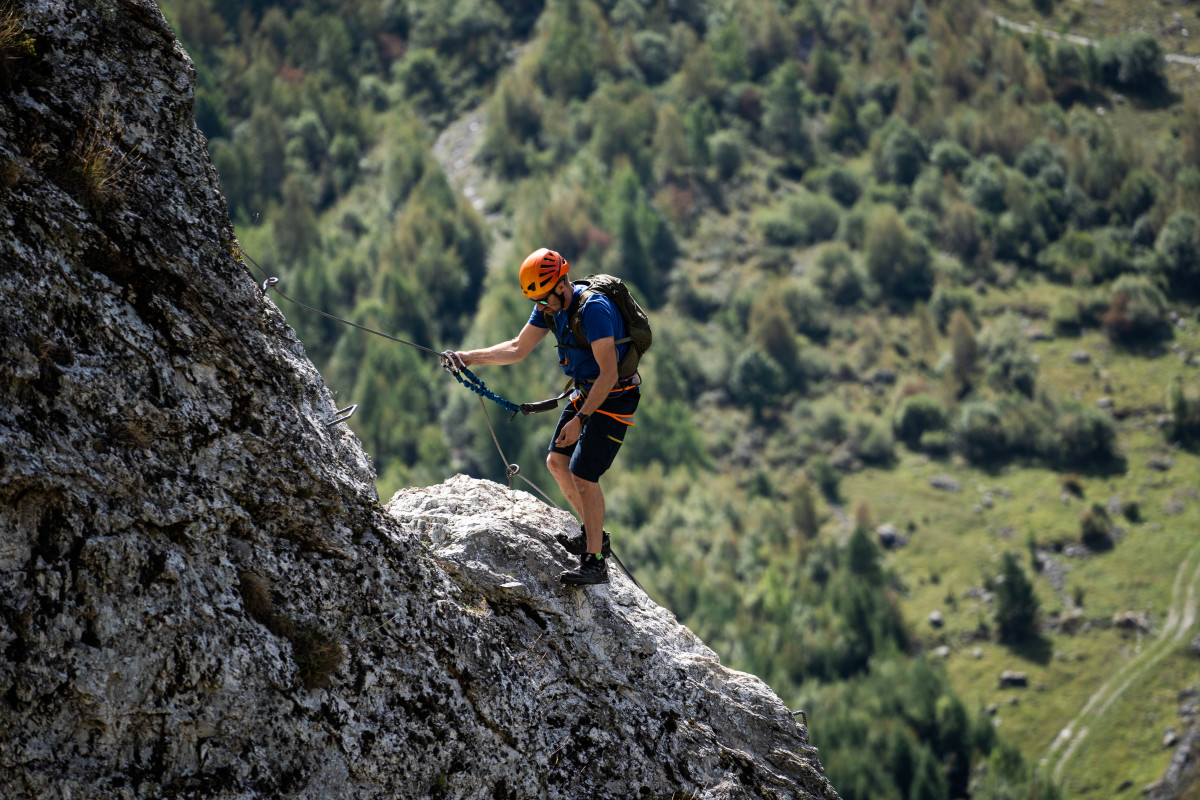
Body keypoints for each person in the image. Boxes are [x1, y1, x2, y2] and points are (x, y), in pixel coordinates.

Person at [443, 248, 640, 585]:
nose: (541, 307)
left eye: (545, 299)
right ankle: (595, 536)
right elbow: (518, 348)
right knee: (556, 462)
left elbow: (608, 374)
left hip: (615, 396)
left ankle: (594, 562)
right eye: (536, 301)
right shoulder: (549, 307)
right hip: (585, 391)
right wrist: (467, 358)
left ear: (561, 287)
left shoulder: (594, 310)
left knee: (583, 474)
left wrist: (580, 420)